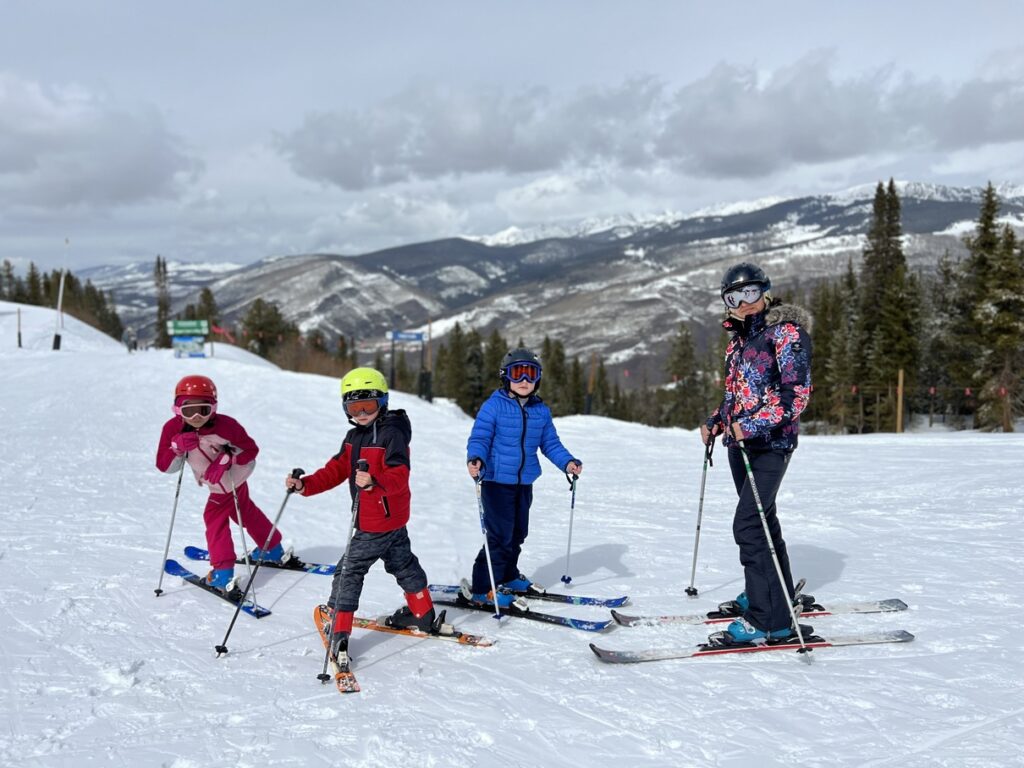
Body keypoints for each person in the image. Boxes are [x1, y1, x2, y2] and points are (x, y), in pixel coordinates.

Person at [285, 367, 434, 660]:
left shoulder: (392, 435)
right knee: (404, 565)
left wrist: (374, 482)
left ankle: (338, 631)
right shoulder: (354, 436)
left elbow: (399, 475)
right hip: (393, 521)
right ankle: (423, 612)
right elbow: (336, 470)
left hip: (374, 523)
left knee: (348, 571)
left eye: (368, 405)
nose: (362, 412)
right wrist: (305, 485)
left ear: (383, 402)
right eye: (354, 407)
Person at [700, 263, 813, 643]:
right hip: (740, 446)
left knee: (748, 526)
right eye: (734, 297)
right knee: (765, 523)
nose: (744, 303)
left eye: (750, 293)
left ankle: (769, 619)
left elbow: (794, 397)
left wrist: (747, 426)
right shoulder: (738, 343)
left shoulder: (786, 333)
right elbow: (737, 396)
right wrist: (718, 420)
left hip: (770, 445)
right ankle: (774, 594)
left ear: (766, 291)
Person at [465, 347, 582, 607]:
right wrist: (476, 458)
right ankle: (483, 588)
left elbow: (550, 443)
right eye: (518, 374)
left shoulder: (540, 411)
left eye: (531, 374)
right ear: (506, 376)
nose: (525, 381)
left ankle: (507, 575)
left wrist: (568, 462)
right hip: (496, 482)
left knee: (518, 533)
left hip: (523, 483)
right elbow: (480, 437)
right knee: (498, 537)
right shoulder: (493, 406)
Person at [155, 375, 288, 594]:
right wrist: (176, 448)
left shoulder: (226, 426)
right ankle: (272, 548)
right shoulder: (172, 429)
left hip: (230, 477)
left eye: (204, 410)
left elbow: (250, 450)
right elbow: (164, 466)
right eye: (189, 411)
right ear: (177, 409)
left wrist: (226, 459)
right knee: (243, 511)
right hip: (217, 481)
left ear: (214, 408)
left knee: (213, 517)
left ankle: (222, 572)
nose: (197, 417)